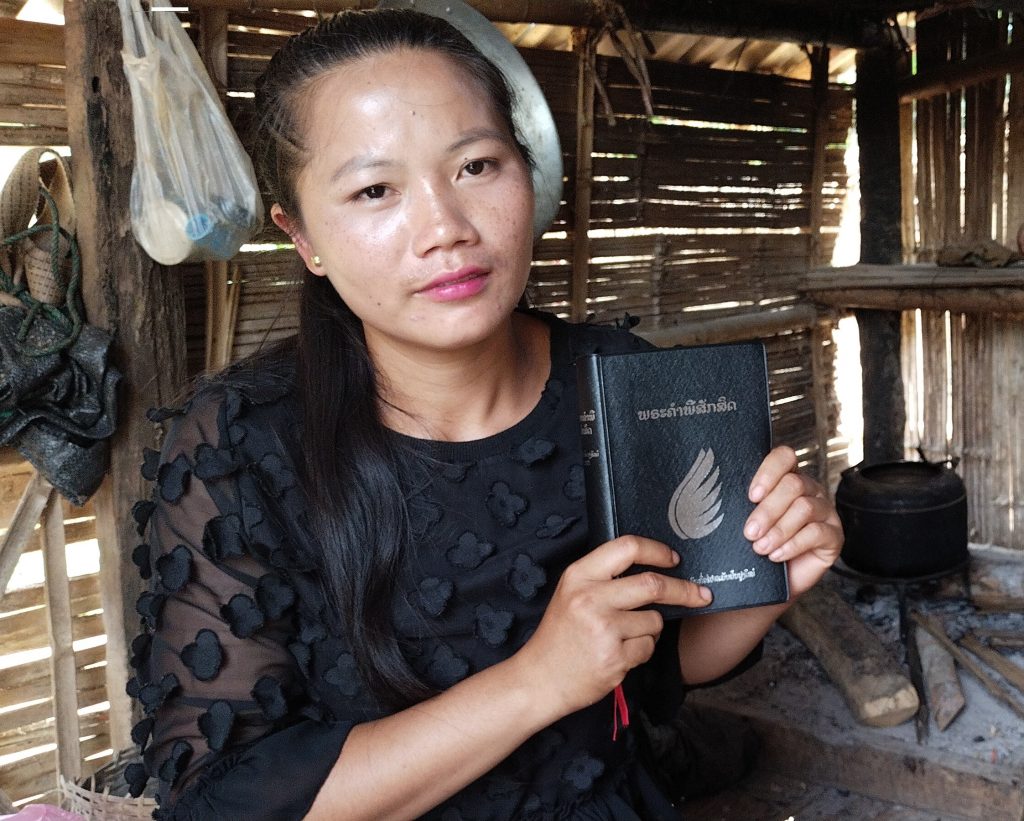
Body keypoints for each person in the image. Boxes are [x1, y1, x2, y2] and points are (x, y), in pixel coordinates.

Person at [125, 9, 843, 820]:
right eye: (374, 190)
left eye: (475, 165)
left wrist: (772, 575)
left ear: (526, 173)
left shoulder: (620, 383)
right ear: (303, 237)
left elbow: (661, 663)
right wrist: (537, 679)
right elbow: (221, 801)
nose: (445, 229)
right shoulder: (238, 445)